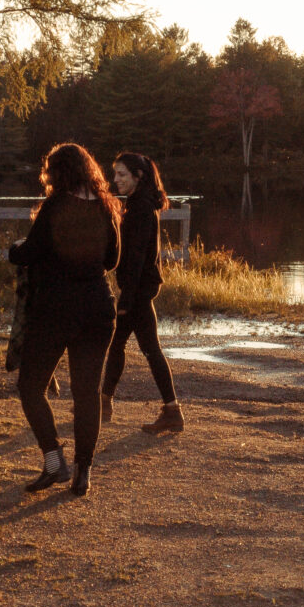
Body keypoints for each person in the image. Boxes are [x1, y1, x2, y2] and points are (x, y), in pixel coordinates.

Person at [8, 143, 121, 498]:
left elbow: (30, 252)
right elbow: (112, 260)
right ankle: (83, 472)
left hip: (56, 309)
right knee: (87, 393)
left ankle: (55, 461)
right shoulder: (106, 206)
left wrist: (14, 249)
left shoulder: (55, 205)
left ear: (57, 173)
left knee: (31, 386)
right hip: (98, 308)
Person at [101, 151, 184, 434]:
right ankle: (104, 402)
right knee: (122, 344)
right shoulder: (139, 205)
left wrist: (126, 298)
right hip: (138, 289)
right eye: (115, 174)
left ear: (138, 176)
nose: (116, 180)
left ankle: (172, 411)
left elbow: (136, 258)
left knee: (149, 350)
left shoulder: (139, 210)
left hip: (137, 291)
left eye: (122, 175)